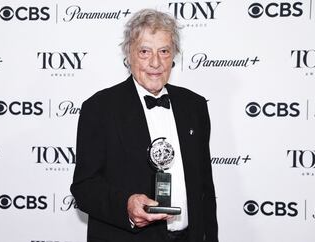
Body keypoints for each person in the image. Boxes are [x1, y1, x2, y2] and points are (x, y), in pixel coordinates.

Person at [71, 9, 218, 242]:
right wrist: (126, 205)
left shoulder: (195, 106)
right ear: (129, 54)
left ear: (174, 55)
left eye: (164, 51)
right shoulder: (99, 108)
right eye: (144, 51)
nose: (155, 62)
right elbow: (84, 187)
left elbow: (205, 189)